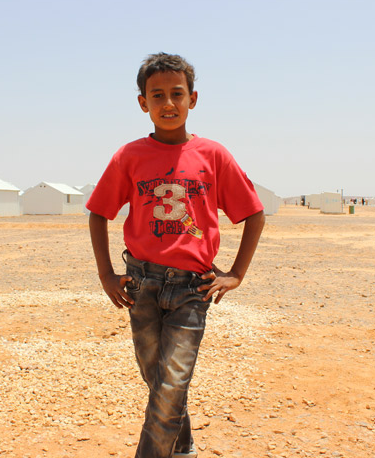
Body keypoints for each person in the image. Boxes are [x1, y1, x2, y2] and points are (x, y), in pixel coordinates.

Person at [87, 53, 266, 458]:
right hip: (141, 285)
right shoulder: (129, 156)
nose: (168, 103)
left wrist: (236, 273)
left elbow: (254, 215)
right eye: (157, 95)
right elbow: (98, 213)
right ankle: (183, 449)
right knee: (161, 384)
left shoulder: (213, 155)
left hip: (191, 289)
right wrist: (106, 274)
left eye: (177, 94)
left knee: (171, 387)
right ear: (143, 103)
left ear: (193, 99)